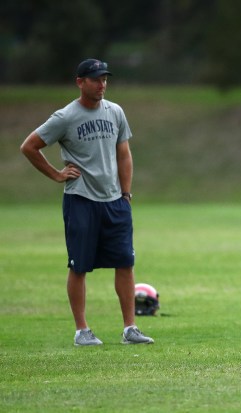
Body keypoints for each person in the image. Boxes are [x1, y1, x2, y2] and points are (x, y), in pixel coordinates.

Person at [20, 58, 154, 346]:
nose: (102, 84)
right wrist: (56, 175)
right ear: (80, 82)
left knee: (125, 263)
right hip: (81, 200)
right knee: (79, 266)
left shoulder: (115, 112)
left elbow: (124, 154)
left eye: (105, 78)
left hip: (115, 201)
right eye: (96, 79)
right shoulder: (65, 117)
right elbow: (29, 146)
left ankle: (130, 329)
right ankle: (82, 331)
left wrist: (126, 194)